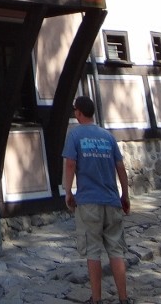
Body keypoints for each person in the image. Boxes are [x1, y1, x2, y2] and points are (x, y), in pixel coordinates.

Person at [62, 95, 132, 304]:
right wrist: (125, 195)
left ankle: (97, 299)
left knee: (93, 251)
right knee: (116, 250)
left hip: (88, 201)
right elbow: (120, 167)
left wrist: (68, 192)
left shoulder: (75, 136)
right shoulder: (107, 136)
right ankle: (123, 298)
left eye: (75, 110)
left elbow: (70, 165)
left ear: (78, 113)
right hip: (111, 200)